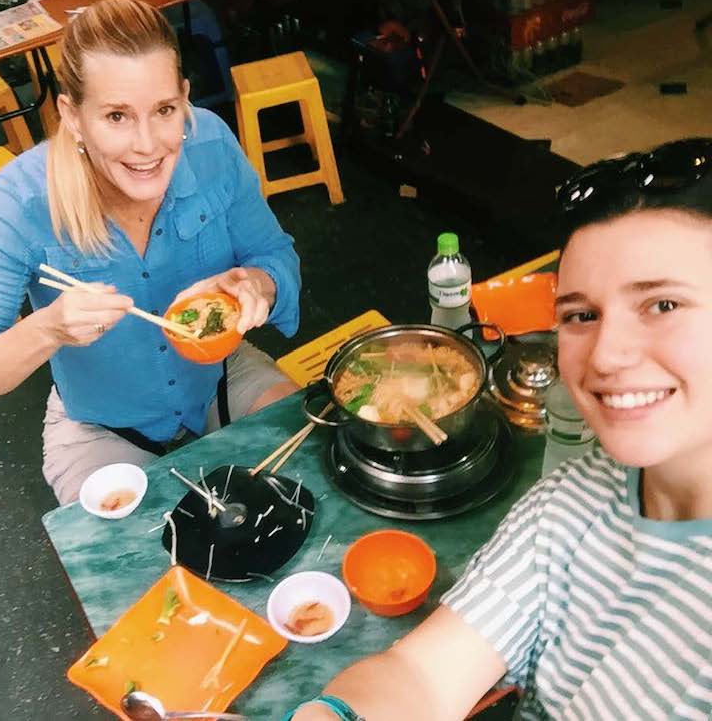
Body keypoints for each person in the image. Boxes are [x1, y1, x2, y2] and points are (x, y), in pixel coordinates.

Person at [287, 139, 712, 721]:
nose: (606, 356)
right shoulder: (582, 491)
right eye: (581, 315)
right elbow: (422, 675)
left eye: (663, 305)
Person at [0, 0, 301, 505]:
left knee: (310, 478)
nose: (148, 145)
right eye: (116, 116)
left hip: (221, 377)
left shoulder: (211, 143)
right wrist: (49, 328)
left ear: (184, 99)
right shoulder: (21, 198)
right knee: (141, 571)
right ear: (73, 115)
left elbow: (275, 254)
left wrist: (258, 284)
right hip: (101, 427)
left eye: (165, 110)